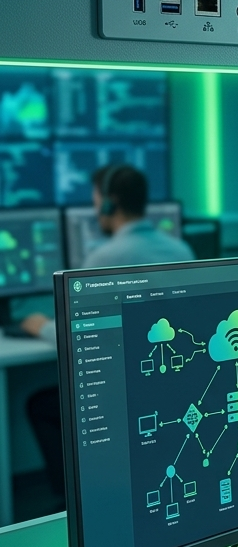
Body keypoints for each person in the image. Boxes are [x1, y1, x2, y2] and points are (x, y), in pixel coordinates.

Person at [20, 164, 194, 502]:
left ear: (109, 203)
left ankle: (70, 500)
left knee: (39, 404)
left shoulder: (105, 257)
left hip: (123, 392)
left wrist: (41, 326)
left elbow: (78, 332)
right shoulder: (180, 250)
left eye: (96, 200)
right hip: (168, 385)